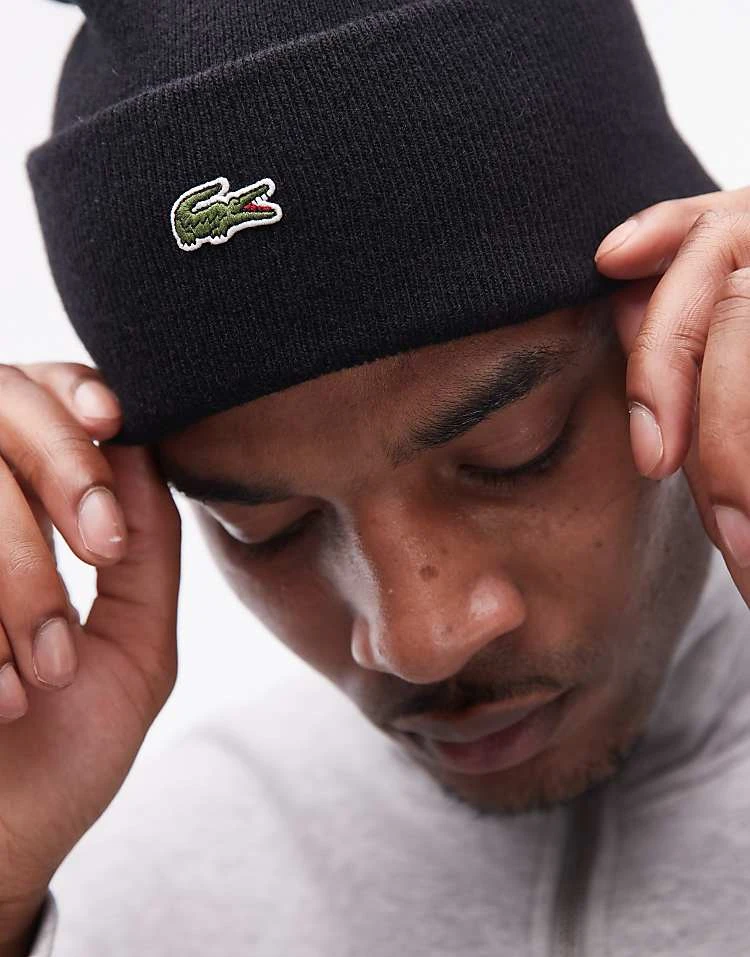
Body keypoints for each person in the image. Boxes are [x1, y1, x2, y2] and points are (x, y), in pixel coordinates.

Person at [2, 0, 750, 954]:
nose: (419, 639)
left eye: (513, 455)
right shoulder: (129, 883)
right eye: (267, 528)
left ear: (687, 310)